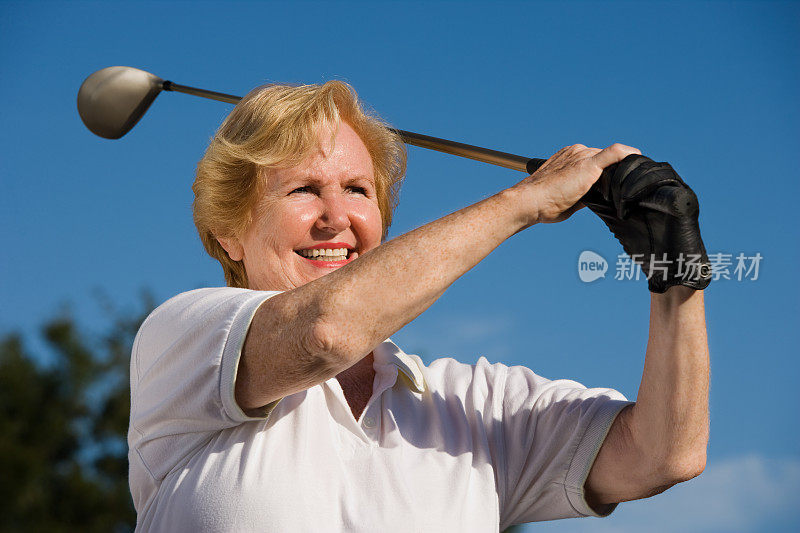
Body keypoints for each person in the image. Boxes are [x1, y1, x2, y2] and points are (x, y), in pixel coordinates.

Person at [127, 81, 709, 532]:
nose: (338, 217)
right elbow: (324, 331)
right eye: (303, 190)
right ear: (228, 233)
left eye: (357, 190)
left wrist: (675, 275)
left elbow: (664, 454)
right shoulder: (184, 340)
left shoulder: (473, 405)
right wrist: (525, 202)